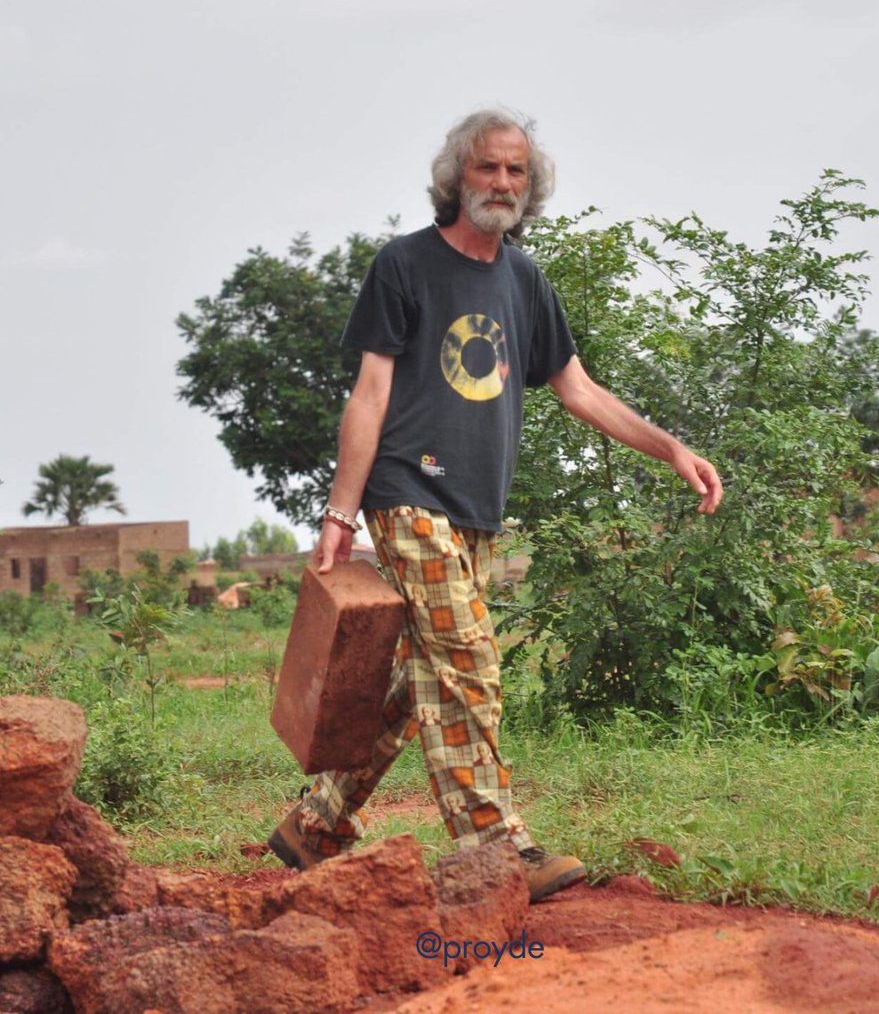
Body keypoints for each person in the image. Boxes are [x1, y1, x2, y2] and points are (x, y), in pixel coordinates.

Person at [268, 110, 723, 902]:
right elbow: (370, 394)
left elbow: (578, 389)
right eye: (488, 167)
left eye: (516, 171)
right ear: (458, 176)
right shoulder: (405, 265)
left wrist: (671, 448)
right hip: (407, 492)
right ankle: (495, 846)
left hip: (477, 508)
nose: (503, 183)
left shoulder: (524, 280)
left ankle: (316, 824)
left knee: (421, 677)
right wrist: (340, 515)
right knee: (469, 661)